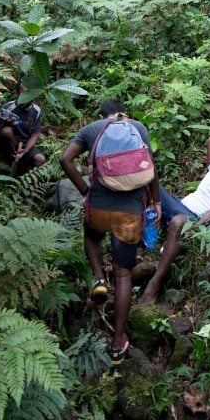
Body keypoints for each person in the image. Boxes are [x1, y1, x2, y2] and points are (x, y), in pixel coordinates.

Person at [59, 99, 161, 364]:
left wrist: (85, 190)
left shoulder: (91, 129)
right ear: (122, 111)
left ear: (101, 114)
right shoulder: (136, 126)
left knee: (91, 235)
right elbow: (151, 168)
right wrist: (156, 201)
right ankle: (118, 340)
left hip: (99, 210)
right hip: (129, 214)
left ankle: (97, 278)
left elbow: (65, 159)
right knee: (124, 275)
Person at [139, 136, 210, 305]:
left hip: (192, 217)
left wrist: (195, 227)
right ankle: (145, 238)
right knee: (146, 181)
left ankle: (154, 285)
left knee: (178, 222)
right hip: (178, 205)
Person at [0, 89, 46, 175]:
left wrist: (25, 151)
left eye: (30, 91)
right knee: (7, 131)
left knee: (40, 159)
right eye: (23, 92)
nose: (27, 95)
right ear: (18, 93)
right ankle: (13, 158)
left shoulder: (36, 110)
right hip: (8, 144)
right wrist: (5, 124)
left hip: (25, 145)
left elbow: (35, 135)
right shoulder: (8, 107)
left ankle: (29, 181)